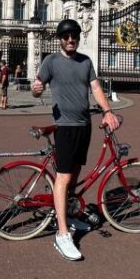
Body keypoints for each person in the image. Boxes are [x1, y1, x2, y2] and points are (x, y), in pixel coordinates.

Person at [31, 19, 119, 262]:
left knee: (75, 174)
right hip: (65, 127)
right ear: (60, 39)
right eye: (66, 36)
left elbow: (96, 88)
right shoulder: (51, 61)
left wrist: (107, 111)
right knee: (63, 177)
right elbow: (37, 87)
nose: (71, 40)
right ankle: (62, 233)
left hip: (84, 126)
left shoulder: (86, 62)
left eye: (74, 36)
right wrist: (36, 90)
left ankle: (69, 214)